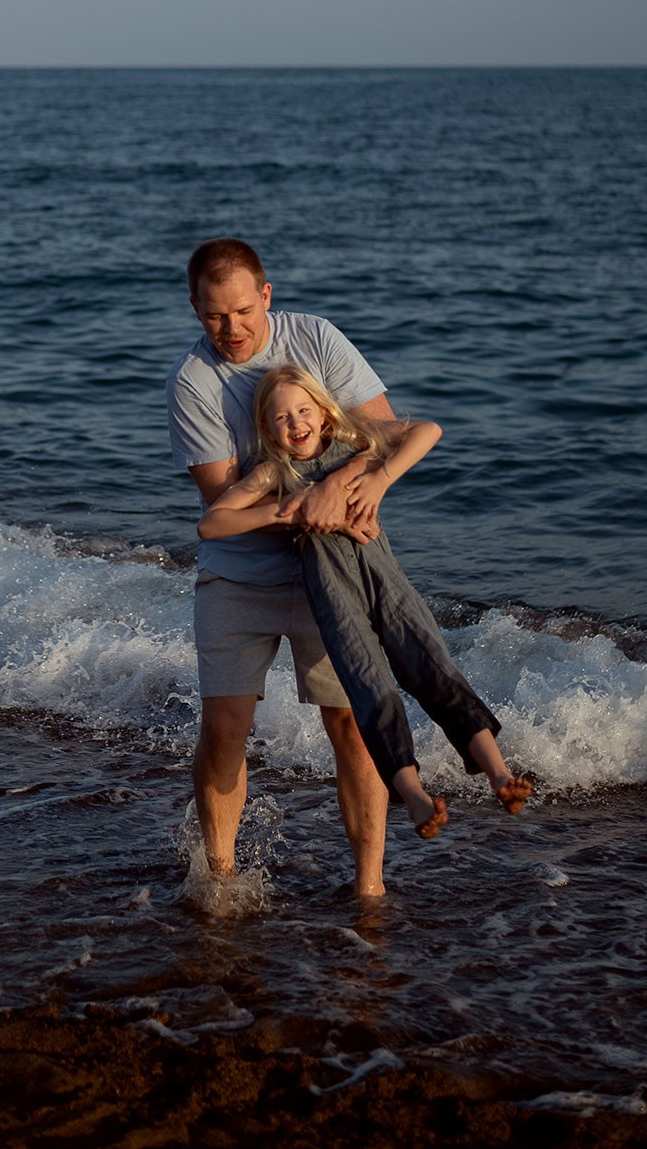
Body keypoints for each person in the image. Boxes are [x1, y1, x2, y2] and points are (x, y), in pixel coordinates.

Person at [198, 364, 532, 839]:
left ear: (322, 412)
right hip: (334, 599)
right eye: (280, 418)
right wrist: (292, 508)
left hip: (386, 581)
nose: (295, 424)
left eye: (303, 410)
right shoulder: (277, 472)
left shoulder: (353, 443)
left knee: (432, 667)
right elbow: (212, 523)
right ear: (266, 429)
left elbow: (427, 429)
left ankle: (500, 774)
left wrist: (381, 479)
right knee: (369, 687)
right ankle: (415, 798)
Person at [166, 238, 399, 897]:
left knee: (351, 723)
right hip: (237, 577)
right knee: (224, 728)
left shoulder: (316, 339)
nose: (232, 329)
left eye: (243, 311)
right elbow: (222, 500)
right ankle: (220, 877)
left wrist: (339, 484)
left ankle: (370, 886)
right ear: (195, 309)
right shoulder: (192, 382)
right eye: (214, 316)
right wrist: (308, 494)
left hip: (333, 568)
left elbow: (384, 430)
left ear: (266, 295)